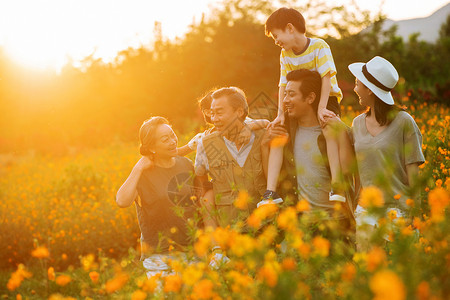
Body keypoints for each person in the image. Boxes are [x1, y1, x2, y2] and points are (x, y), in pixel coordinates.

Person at [262, 7, 347, 205]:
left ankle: (337, 183)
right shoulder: (286, 54)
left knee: (329, 129)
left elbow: (326, 78)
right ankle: (271, 191)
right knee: (279, 132)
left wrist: (321, 108)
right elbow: (283, 85)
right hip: (300, 100)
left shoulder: (319, 46)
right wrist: (280, 114)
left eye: (276, 35)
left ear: (290, 28)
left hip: (327, 98)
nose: (276, 41)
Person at [267, 69, 356, 249]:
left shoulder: (335, 129)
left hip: (335, 224)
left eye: (291, 94)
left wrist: (341, 135)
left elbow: (348, 171)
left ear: (310, 98)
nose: (285, 100)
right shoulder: (285, 132)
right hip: (300, 227)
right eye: (285, 94)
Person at [348, 56, 425, 250]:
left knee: (398, 273)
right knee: (366, 271)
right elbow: (357, 169)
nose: (355, 88)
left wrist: (416, 212)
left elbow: (413, 170)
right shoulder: (357, 124)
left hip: (398, 211)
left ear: (370, 90)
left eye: (358, 84)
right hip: (366, 210)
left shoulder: (404, 122)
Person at [116, 116, 200, 277]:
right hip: (159, 256)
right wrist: (138, 168)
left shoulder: (186, 164)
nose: (173, 141)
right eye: (165, 139)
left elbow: (201, 203)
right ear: (152, 147)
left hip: (192, 251)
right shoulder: (143, 174)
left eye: (172, 135)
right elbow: (121, 201)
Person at [195, 87, 269, 229]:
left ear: (239, 112)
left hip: (267, 231)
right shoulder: (204, 145)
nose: (214, 119)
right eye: (212, 113)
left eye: (219, 113)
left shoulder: (263, 136)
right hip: (230, 234)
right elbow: (202, 180)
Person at [178, 90, 270, 157]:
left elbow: (266, 123)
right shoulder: (203, 138)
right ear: (208, 112)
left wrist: (247, 127)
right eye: (213, 109)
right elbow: (179, 152)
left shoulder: (241, 122)